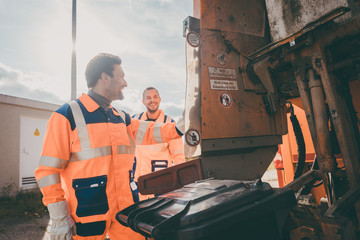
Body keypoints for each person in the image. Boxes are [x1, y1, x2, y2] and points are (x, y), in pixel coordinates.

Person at [35, 53, 183, 240]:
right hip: (87, 214)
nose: (125, 83)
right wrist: (59, 216)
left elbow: (153, 131)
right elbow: (47, 171)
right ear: (105, 77)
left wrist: (182, 126)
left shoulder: (121, 118)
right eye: (121, 76)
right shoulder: (67, 116)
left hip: (126, 210)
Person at [132, 87, 185, 200]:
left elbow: (179, 156)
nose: (152, 100)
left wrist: (182, 182)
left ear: (160, 99)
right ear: (143, 101)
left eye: (155, 97)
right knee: (138, 214)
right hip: (137, 181)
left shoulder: (170, 124)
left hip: (161, 181)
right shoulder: (135, 121)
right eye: (148, 98)